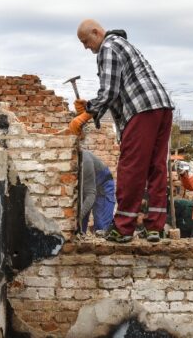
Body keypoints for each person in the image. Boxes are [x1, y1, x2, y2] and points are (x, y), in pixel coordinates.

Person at [70, 19, 175, 243]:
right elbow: (116, 90)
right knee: (156, 168)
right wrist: (92, 107)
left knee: (131, 168)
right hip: (162, 108)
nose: (86, 47)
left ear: (97, 32)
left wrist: (87, 112)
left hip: (141, 110)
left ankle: (123, 228)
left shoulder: (107, 48)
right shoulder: (123, 44)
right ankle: (155, 227)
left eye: (86, 41)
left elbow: (109, 91)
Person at [79, 150, 115, 235]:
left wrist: (78, 217)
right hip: (85, 186)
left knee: (101, 228)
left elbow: (91, 194)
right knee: (79, 229)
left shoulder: (85, 161)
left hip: (103, 187)